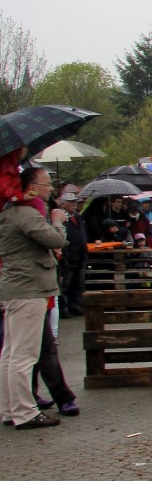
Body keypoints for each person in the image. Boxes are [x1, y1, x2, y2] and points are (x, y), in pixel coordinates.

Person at [0, 167, 68, 429]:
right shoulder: (26, 213)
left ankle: (10, 408)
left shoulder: (9, 211)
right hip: (29, 288)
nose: (50, 189)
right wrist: (57, 220)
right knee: (24, 355)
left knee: (11, 353)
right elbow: (55, 239)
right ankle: (25, 412)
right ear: (31, 187)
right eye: (47, 184)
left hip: (18, 288)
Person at [58, 188, 87, 318]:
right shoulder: (61, 217)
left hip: (80, 256)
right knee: (66, 285)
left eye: (74, 202)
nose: (74, 204)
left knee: (78, 284)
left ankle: (76, 305)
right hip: (68, 256)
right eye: (70, 202)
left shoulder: (78, 217)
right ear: (63, 203)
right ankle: (64, 308)